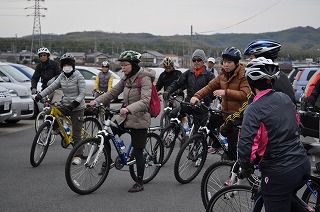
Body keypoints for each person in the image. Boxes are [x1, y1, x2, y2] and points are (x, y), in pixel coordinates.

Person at [237, 57, 310, 212]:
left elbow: (247, 145)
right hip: (302, 163)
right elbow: (296, 125)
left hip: (280, 172)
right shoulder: (284, 98)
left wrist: (245, 166)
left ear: (251, 83)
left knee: (277, 193)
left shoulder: (254, 109)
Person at [89, 50, 156, 193]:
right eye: (122, 65)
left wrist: (128, 109)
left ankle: (139, 182)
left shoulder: (144, 78)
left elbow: (145, 101)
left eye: (125, 65)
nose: (123, 67)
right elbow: (112, 93)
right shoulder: (126, 78)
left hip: (140, 118)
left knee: (138, 151)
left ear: (134, 64)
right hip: (125, 117)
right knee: (106, 135)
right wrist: (96, 101)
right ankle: (108, 161)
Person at [220, 39, 296, 137]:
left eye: (251, 57)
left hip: (273, 138)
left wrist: (228, 124)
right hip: (289, 133)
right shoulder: (280, 76)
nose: (249, 61)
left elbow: (248, 107)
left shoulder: (263, 81)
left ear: (261, 58)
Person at [190, 47, 250, 160]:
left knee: (232, 146)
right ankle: (218, 144)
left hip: (238, 116)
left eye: (229, 62)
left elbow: (244, 94)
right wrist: (196, 96)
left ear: (236, 63)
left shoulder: (243, 75)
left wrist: (225, 92)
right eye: (224, 62)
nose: (226, 65)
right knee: (210, 124)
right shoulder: (222, 75)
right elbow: (210, 87)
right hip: (225, 113)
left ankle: (233, 174)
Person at [34, 53, 86, 165]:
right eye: (64, 64)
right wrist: (40, 95)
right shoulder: (61, 76)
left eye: (69, 64)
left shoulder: (79, 76)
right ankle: (55, 128)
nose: (67, 66)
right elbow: (51, 87)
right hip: (66, 105)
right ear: (62, 66)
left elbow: (82, 93)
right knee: (49, 112)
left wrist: (75, 103)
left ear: (73, 65)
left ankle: (78, 155)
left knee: (76, 134)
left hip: (77, 107)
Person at [163, 49, 215, 134]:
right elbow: (177, 83)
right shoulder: (189, 73)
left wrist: (204, 99)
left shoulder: (209, 75)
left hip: (202, 106)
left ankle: (194, 141)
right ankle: (185, 130)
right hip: (189, 102)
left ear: (203, 61)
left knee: (197, 133)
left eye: (199, 60)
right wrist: (168, 91)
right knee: (173, 113)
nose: (196, 62)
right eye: (194, 60)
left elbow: (213, 92)